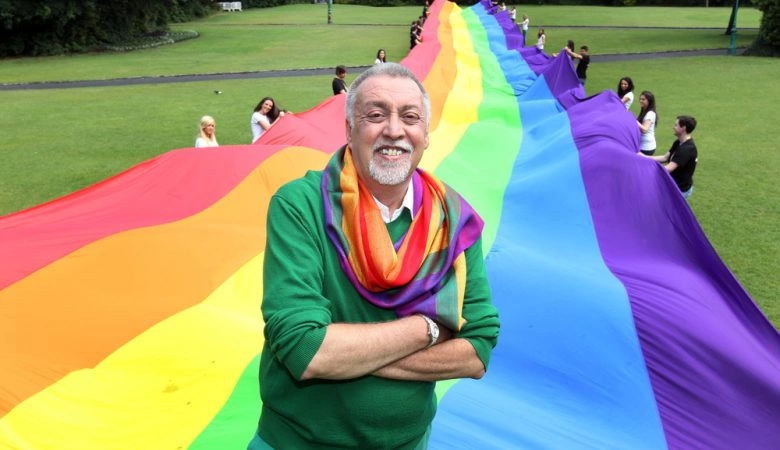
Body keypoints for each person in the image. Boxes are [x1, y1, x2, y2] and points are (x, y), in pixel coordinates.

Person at [248, 62, 500, 449]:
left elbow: (477, 351)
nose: (394, 130)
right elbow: (305, 350)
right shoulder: (300, 206)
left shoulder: (454, 221)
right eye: (376, 115)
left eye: (410, 117)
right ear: (350, 129)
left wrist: (349, 357)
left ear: (425, 135)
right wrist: (430, 329)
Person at [643, 115, 698, 199]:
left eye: (676, 125)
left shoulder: (687, 149)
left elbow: (668, 169)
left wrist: (646, 170)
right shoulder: (678, 142)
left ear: (683, 128)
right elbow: (665, 158)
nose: (673, 127)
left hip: (680, 190)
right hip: (673, 185)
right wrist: (643, 157)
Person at [636, 91, 658, 156]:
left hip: (646, 147)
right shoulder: (644, 111)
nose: (641, 101)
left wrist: (634, 120)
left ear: (649, 101)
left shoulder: (650, 114)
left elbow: (644, 129)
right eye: (640, 99)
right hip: (643, 146)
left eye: (643, 99)